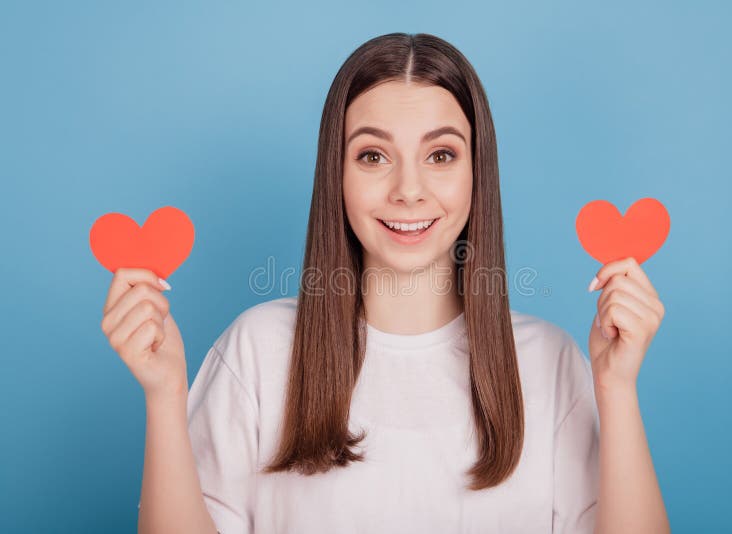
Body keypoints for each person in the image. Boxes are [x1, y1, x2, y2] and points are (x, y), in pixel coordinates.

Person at [100, 33, 670, 534]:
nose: (409, 190)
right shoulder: (255, 351)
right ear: (337, 174)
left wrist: (617, 390)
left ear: (477, 173)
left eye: (441, 154)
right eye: (373, 155)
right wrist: (165, 395)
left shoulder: (551, 362)